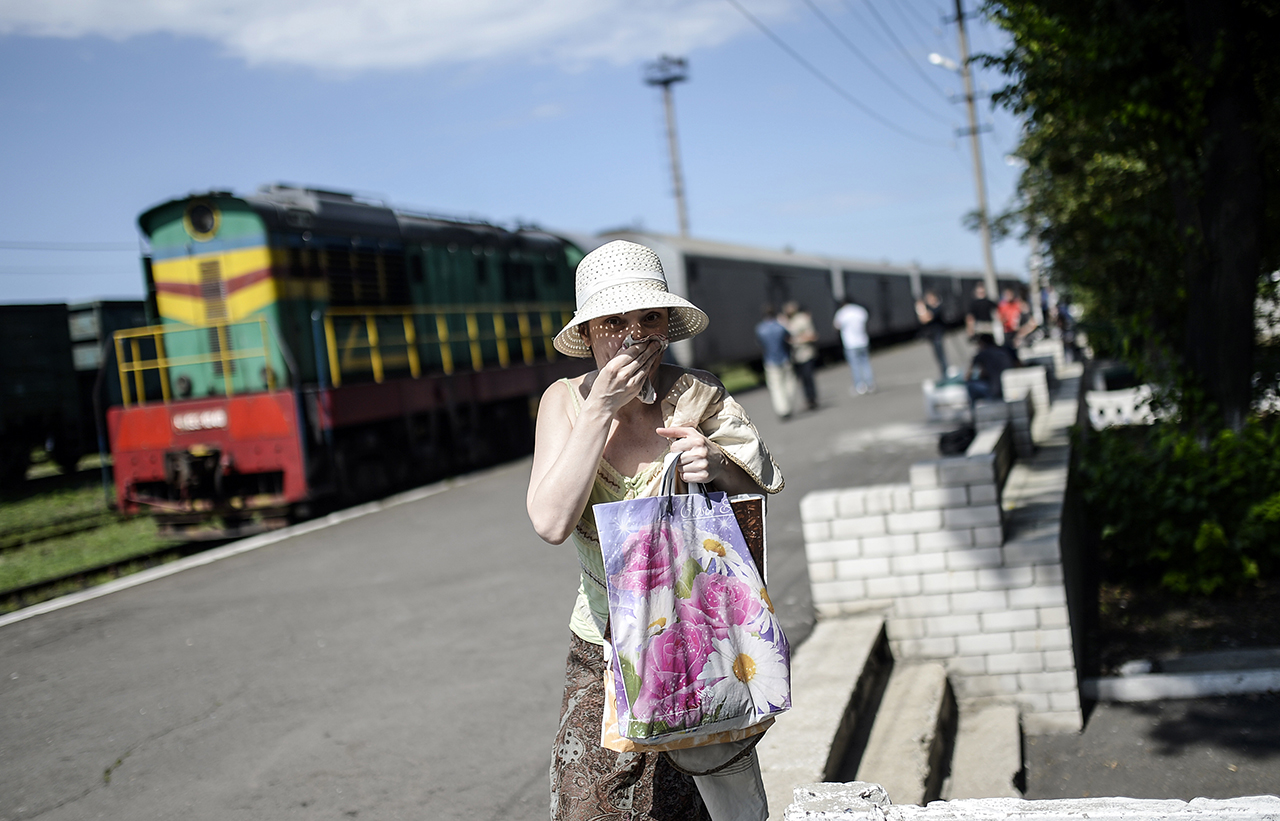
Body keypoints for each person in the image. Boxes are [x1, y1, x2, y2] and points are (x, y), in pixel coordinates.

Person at [527, 240, 784, 821]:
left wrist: (714, 462)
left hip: (704, 641)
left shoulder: (697, 392)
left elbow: (759, 482)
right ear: (589, 332)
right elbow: (550, 521)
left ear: (668, 325)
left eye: (650, 318)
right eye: (614, 322)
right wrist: (600, 411)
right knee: (595, 805)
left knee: (712, 800)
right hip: (606, 647)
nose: (633, 335)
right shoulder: (564, 402)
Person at [755, 305, 796, 419]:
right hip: (784, 358)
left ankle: (782, 409)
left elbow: (760, 345)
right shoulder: (780, 327)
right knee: (789, 383)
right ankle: (789, 404)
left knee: (776, 387)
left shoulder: (760, 329)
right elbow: (789, 339)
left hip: (770, 361)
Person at [782, 301, 819, 410]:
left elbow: (812, 335)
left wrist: (797, 340)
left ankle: (812, 398)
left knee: (808, 377)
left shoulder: (802, 319)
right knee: (801, 379)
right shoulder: (786, 322)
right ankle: (807, 399)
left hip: (805, 353)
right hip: (795, 356)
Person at [833, 298, 874, 394]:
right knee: (866, 363)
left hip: (850, 343)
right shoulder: (859, 310)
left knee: (855, 365)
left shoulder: (842, 313)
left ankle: (860, 386)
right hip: (863, 341)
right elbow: (866, 321)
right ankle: (870, 384)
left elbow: (836, 326)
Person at [965, 333, 1018, 402]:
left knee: (970, 385)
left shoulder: (982, 354)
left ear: (982, 343)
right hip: (1011, 387)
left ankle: (974, 410)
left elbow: (967, 376)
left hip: (995, 390)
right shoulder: (1005, 350)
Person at [915, 290, 948, 378]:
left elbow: (926, 318)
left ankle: (945, 373)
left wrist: (921, 308)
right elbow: (922, 319)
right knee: (938, 356)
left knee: (941, 355)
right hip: (932, 335)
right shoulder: (930, 308)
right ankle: (943, 373)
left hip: (938, 334)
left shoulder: (937, 308)